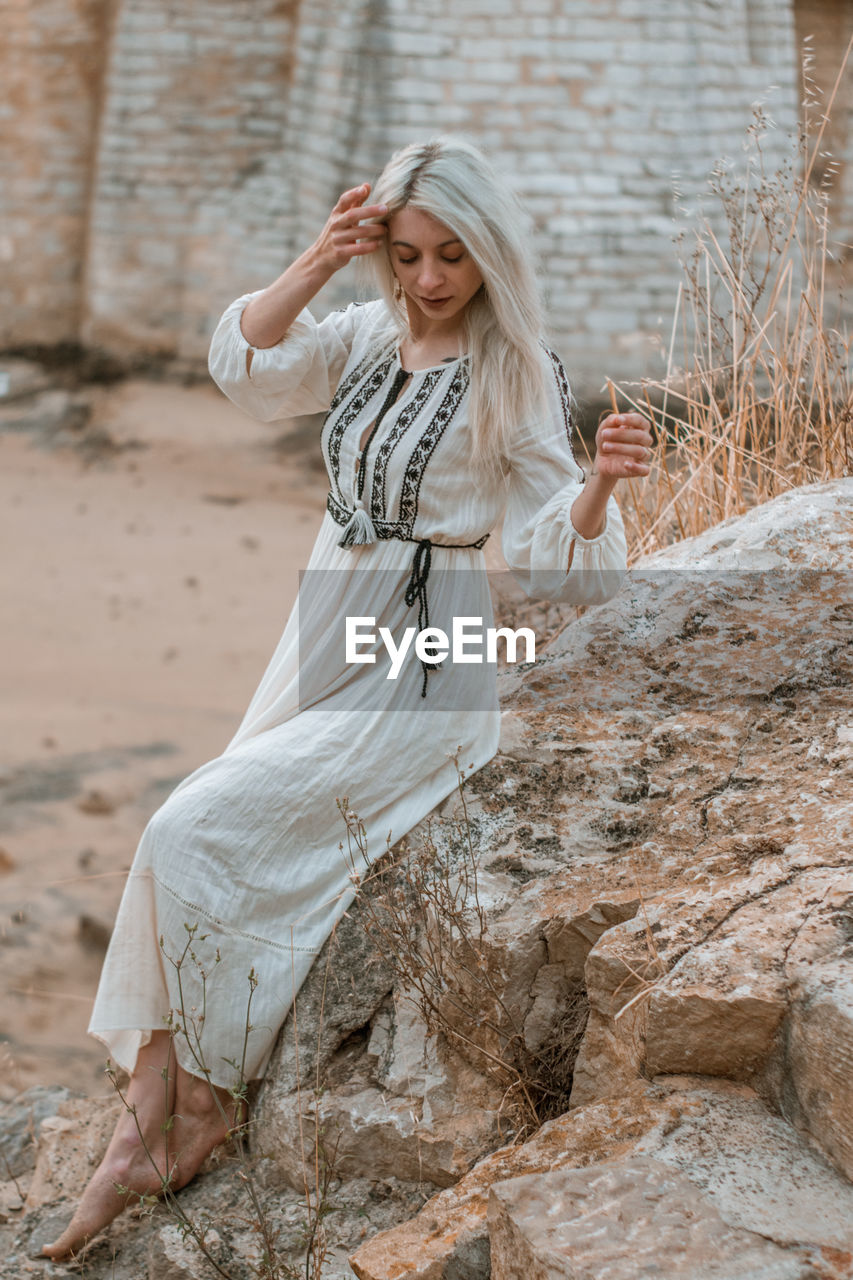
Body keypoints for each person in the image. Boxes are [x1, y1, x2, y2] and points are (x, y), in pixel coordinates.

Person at [43, 135, 652, 1261]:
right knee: (193, 832)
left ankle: (201, 1104)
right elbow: (246, 366)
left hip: (428, 654)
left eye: (454, 256)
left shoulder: (517, 371)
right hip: (323, 628)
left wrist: (600, 484)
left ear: (490, 252)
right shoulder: (369, 332)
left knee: (189, 829)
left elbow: (572, 565)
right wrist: (321, 261)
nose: (429, 279)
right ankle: (145, 1126)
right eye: (410, 255)